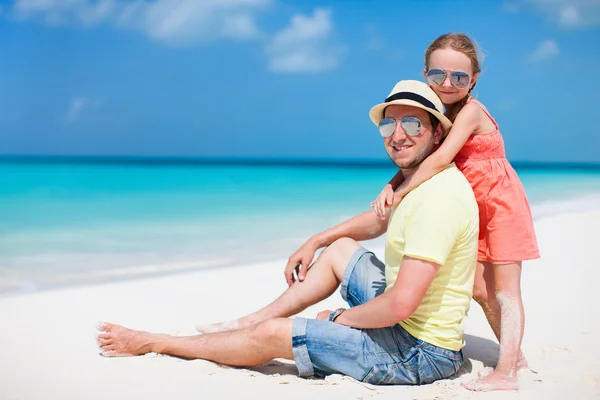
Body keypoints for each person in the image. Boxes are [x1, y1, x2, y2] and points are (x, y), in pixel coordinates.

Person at [96, 80, 479, 386]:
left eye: (412, 123)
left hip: (418, 353)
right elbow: (377, 220)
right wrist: (317, 240)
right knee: (339, 249)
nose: (398, 135)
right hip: (407, 324)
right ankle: (248, 321)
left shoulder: (437, 199)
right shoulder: (415, 180)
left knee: (273, 335)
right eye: (388, 123)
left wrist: (339, 320)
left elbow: (400, 306)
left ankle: (156, 342)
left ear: (436, 136)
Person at [371, 33, 540, 392]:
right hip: (471, 206)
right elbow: (420, 157)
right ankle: (516, 354)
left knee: (506, 290)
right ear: (426, 74)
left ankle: (507, 372)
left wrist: (399, 192)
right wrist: (391, 183)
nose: (448, 84)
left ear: (473, 80)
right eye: (438, 75)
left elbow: (441, 157)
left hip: (499, 202)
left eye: (459, 77)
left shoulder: (471, 111)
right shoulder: (440, 113)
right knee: (480, 289)